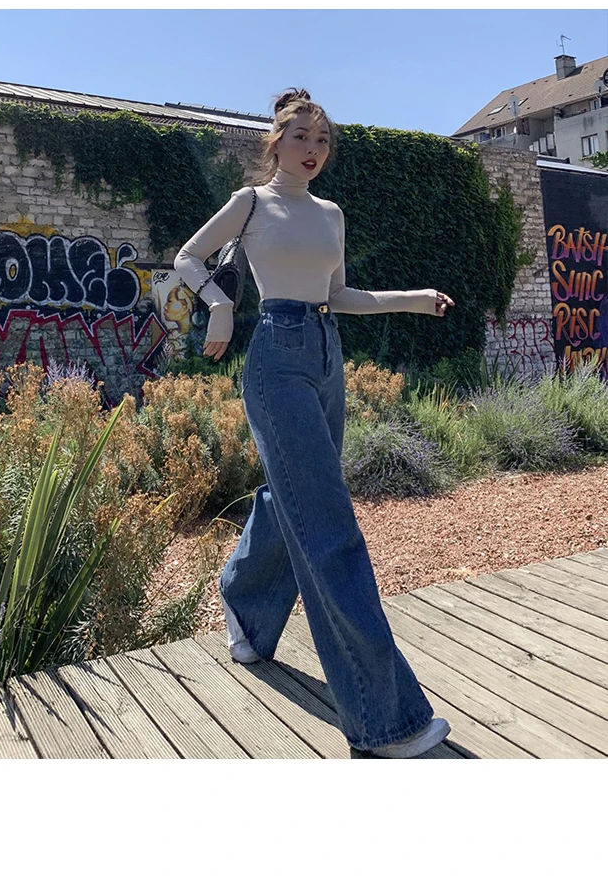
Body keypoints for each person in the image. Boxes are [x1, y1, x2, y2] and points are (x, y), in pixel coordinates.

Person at [173, 88, 456, 759]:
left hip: (326, 355)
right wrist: (219, 306)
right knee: (329, 528)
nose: (312, 149)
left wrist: (414, 299)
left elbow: (338, 295)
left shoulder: (330, 214)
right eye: (300, 137)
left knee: (292, 496)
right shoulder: (250, 203)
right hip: (277, 358)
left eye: (322, 139)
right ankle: (385, 723)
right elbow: (187, 258)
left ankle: (243, 600)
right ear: (275, 144)